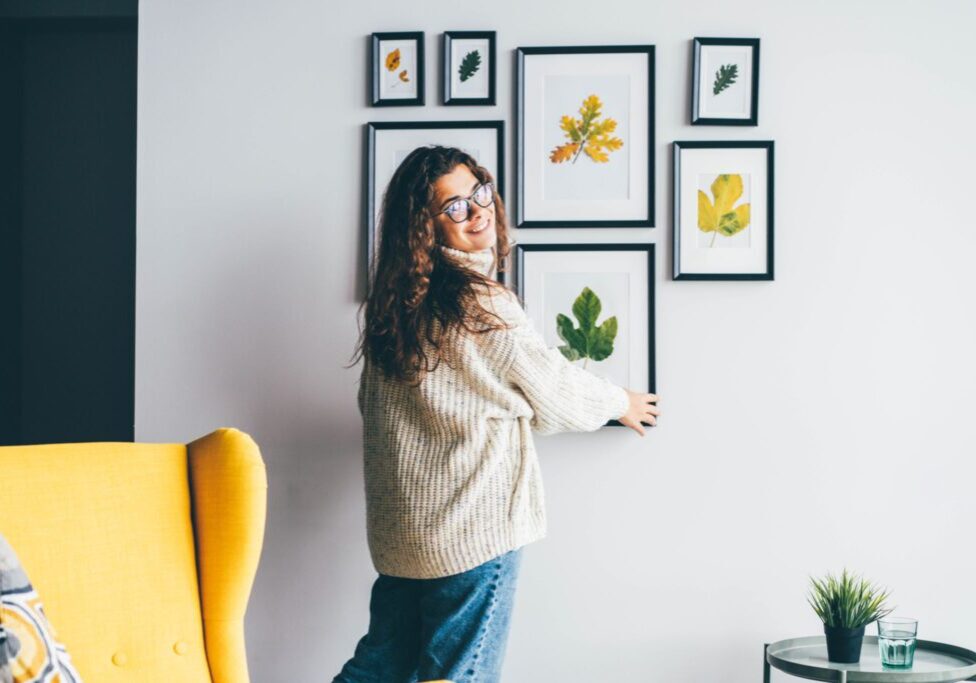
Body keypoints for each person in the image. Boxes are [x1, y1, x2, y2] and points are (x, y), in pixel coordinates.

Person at [336, 145, 659, 683]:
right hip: (469, 533)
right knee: (458, 676)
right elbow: (553, 391)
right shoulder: (480, 303)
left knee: (377, 670)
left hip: (404, 539)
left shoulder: (393, 306)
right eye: (455, 206)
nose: (479, 210)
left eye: (480, 191)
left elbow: (375, 406)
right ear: (426, 227)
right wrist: (621, 403)